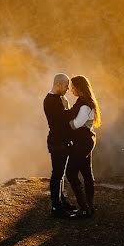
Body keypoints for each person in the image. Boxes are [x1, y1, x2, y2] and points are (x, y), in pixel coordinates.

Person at [65, 75, 101, 219]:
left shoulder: (84, 104)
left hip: (83, 143)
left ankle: (84, 208)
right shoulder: (85, 102)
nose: (71, 89)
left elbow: (76, 124)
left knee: (71, 173)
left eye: (73, 87)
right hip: (86, 141)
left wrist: (62, 124)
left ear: (79, 88)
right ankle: (89, 207)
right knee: (86, 173)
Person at [43, 73, 78, 218]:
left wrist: (66, 107)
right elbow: (62, 120)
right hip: (57, 142)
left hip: (61, 141)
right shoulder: (51, 101)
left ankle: (62, 202)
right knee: (57, 174)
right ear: (58, 84)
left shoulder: (57, 99)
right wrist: (70, 108)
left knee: (60, 173)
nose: (68, 89)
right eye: (66, 86)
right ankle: (56, 207)